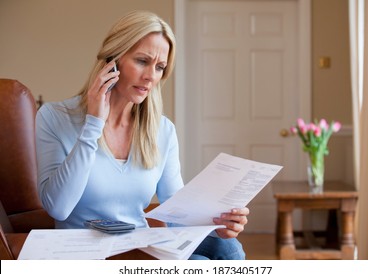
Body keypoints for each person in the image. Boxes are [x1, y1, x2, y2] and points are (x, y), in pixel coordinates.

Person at [35, 10, 249, 260]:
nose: (150, 76)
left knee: (228, 247)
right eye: (142, 61)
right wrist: (94, 124)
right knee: (197, 264)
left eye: (159, 67)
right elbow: (58, 209)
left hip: (140, 244)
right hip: (85, 251)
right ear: (112, 60)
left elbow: (177, 212)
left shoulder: (162, 130)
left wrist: (220, 223)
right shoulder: (54, 117)